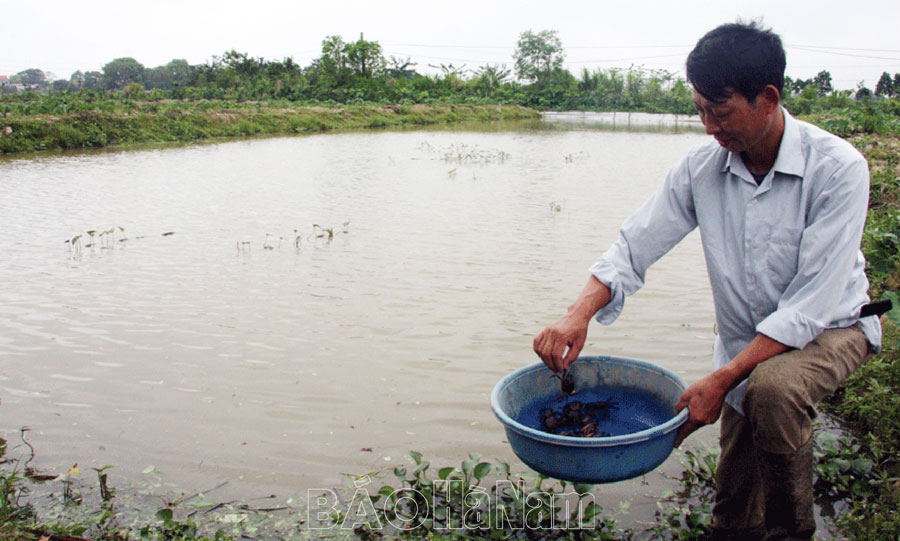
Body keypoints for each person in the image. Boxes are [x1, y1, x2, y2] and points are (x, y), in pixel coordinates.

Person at [532, 21, 881, 541]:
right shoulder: (702, 169)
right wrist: (577, 313)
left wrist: (721, 380)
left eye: (720, 111)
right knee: (734, 508)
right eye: (699, 109)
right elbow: (635, 244)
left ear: (768, 98)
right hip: (747, 341)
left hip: (833, 328)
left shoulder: (837, 169)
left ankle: (793, 532)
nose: (708, 126)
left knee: (774, 390)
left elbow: (809, 307)